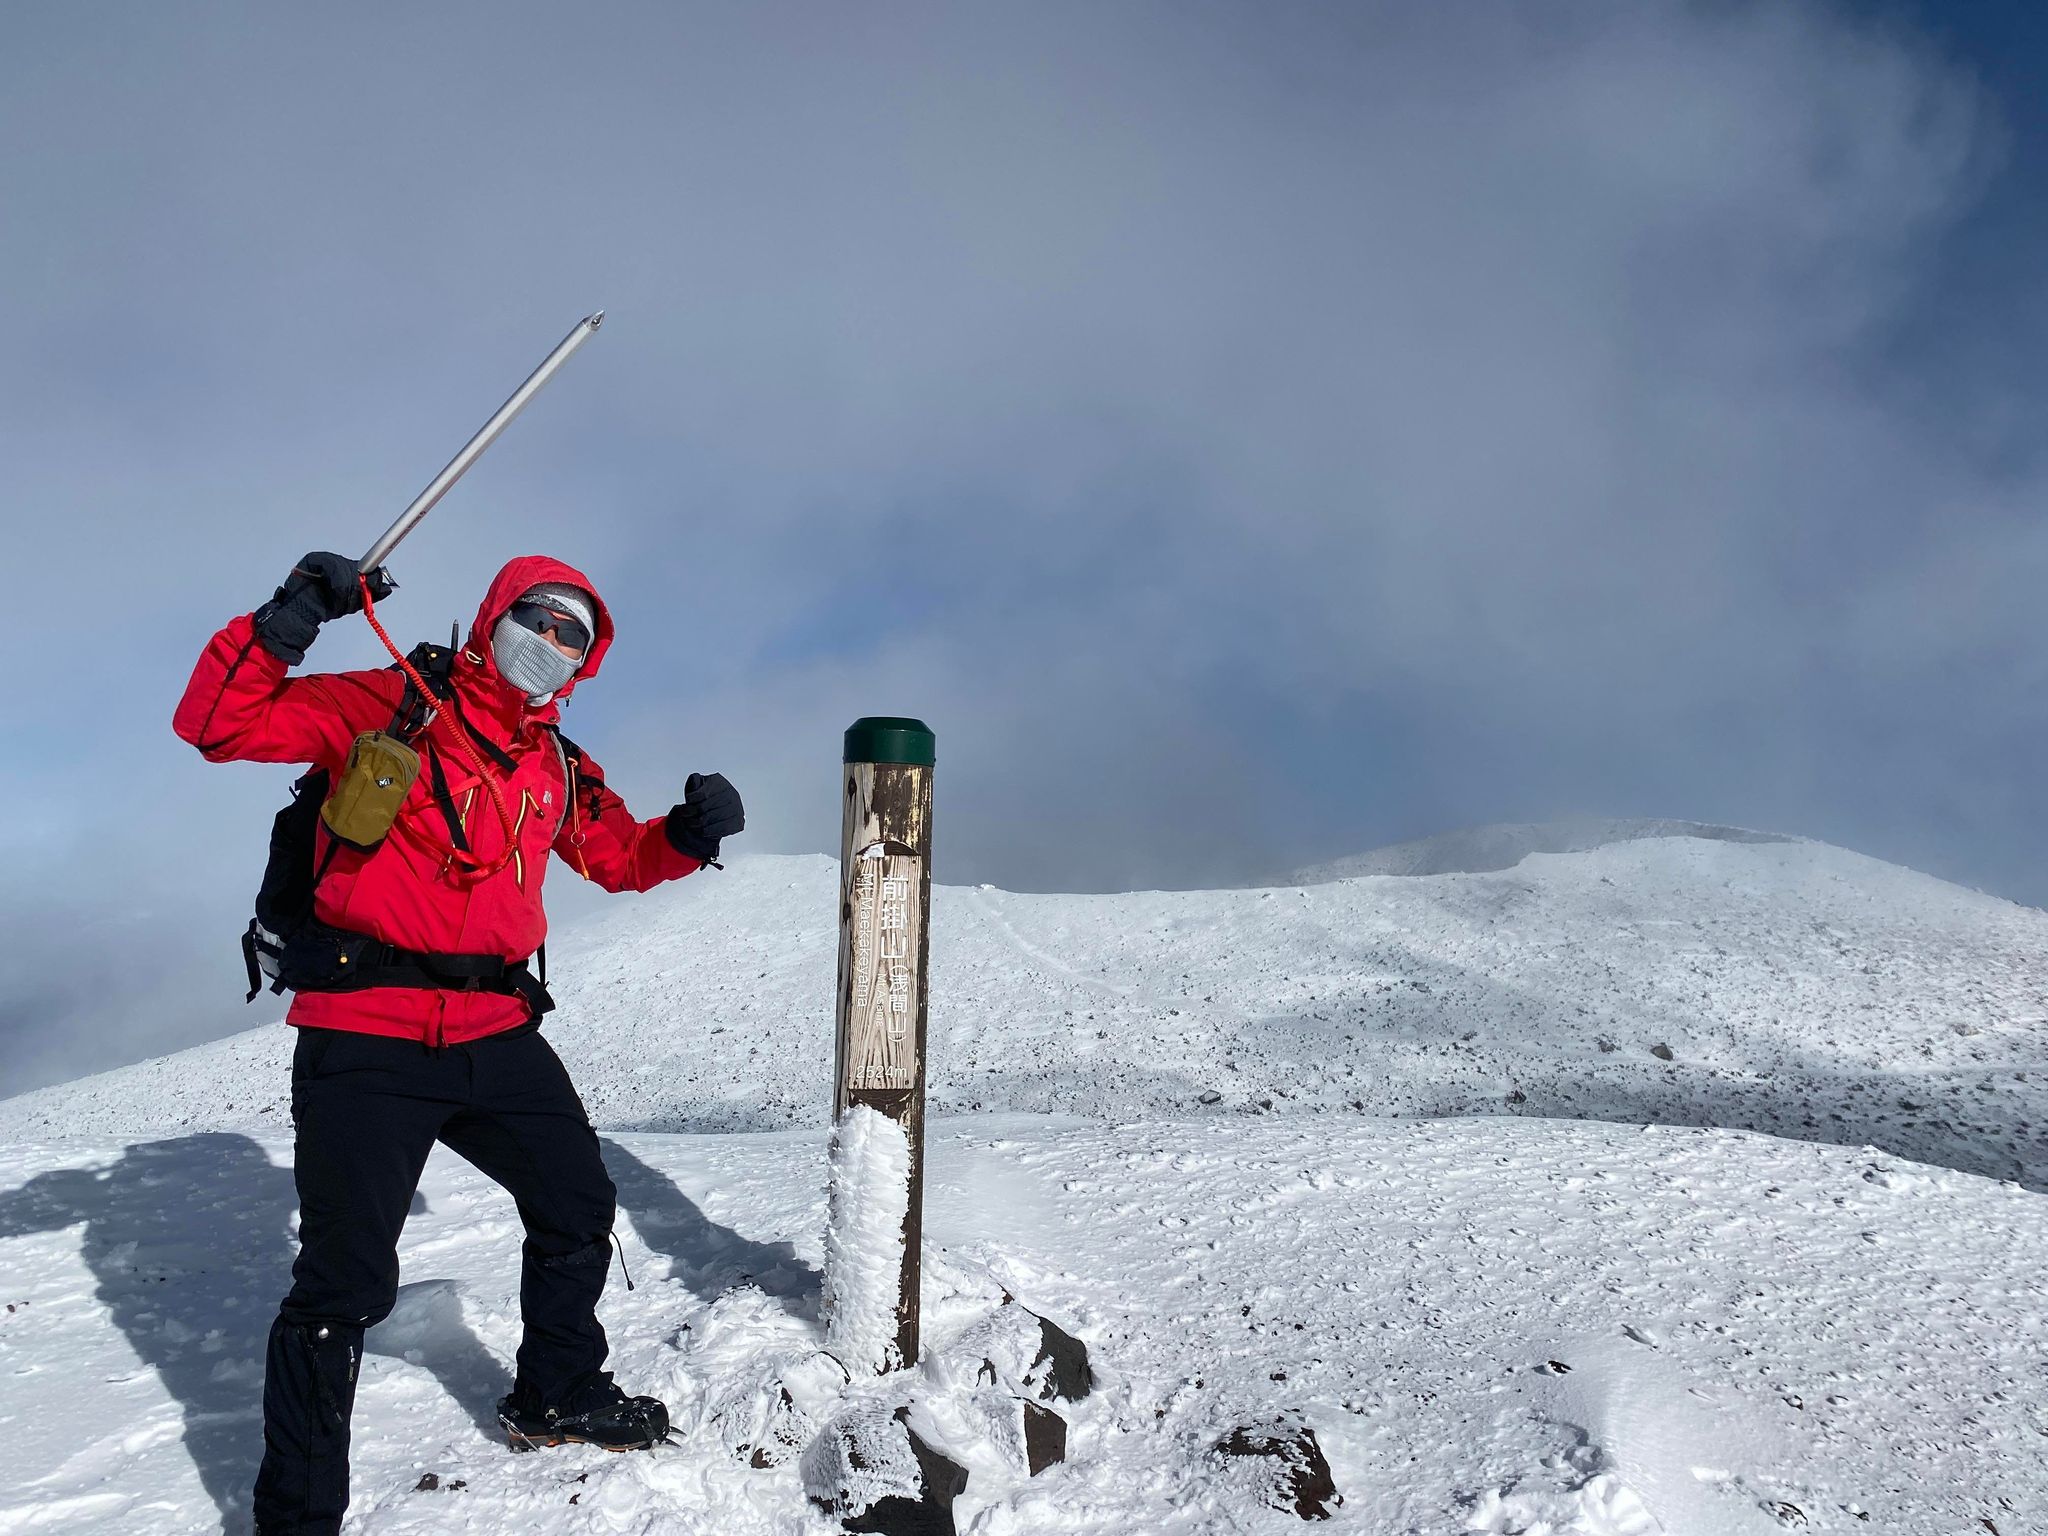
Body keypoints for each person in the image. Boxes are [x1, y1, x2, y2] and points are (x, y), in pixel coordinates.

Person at [174, 551, 744, 1536]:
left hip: (496, 1028)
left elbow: (615, 857)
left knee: (574, 1202)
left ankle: (557, 1392)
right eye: (539, 618)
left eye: (574, 635)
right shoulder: (390, 703)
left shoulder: (554, 760)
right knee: (344, 1284)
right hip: (366, 1031)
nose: (551, 643)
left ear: (584, 662)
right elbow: (220, 724)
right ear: (495, 615)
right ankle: (296, 1516)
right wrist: (292, 615)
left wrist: (686, 837)